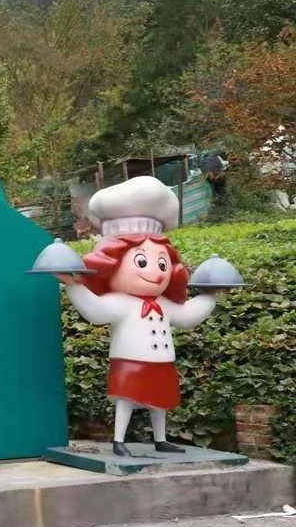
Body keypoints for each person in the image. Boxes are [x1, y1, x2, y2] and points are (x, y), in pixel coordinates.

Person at [56, 176, 223, 458]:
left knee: (161, 400)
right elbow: (95, 312)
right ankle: (119, 440)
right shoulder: (120, 302)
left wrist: (210, 296)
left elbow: (187, 315)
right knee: (127, 399)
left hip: (162, 360)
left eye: (162, 263)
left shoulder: (164, 303)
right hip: (129, 360)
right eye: (142, 262)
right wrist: (72, 285)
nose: (156, 272)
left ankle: (161, 439)